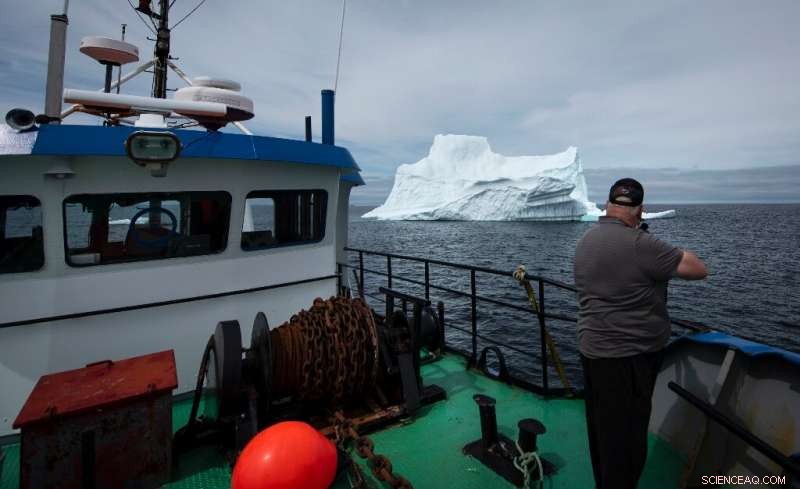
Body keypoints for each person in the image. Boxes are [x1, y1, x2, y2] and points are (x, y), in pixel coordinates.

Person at [573, 178, 707, 489]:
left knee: (603, 434)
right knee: (628, 442)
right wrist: (663, 247)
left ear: (608, 206)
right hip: (630, 360)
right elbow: (698, 269)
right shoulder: (641, 245)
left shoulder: (585, 242)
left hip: (592, 352)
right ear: (640, 211)